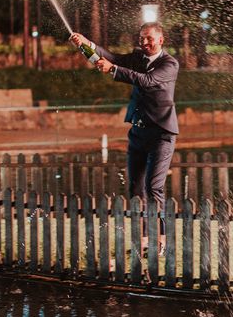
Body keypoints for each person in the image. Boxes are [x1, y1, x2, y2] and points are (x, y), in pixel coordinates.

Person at [70, 22, 179, 255]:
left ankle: (161, 240)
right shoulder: (138, 57)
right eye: (141, 38)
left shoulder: (169, 64)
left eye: (149, 38)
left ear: (161, 39)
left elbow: (147, 81)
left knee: (154, 187)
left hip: (161, 134)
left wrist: (112, 70)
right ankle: (142, 241)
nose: (145, 42)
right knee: (135, 188)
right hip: (138, 132)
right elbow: (111, 57)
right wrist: (86, 45)